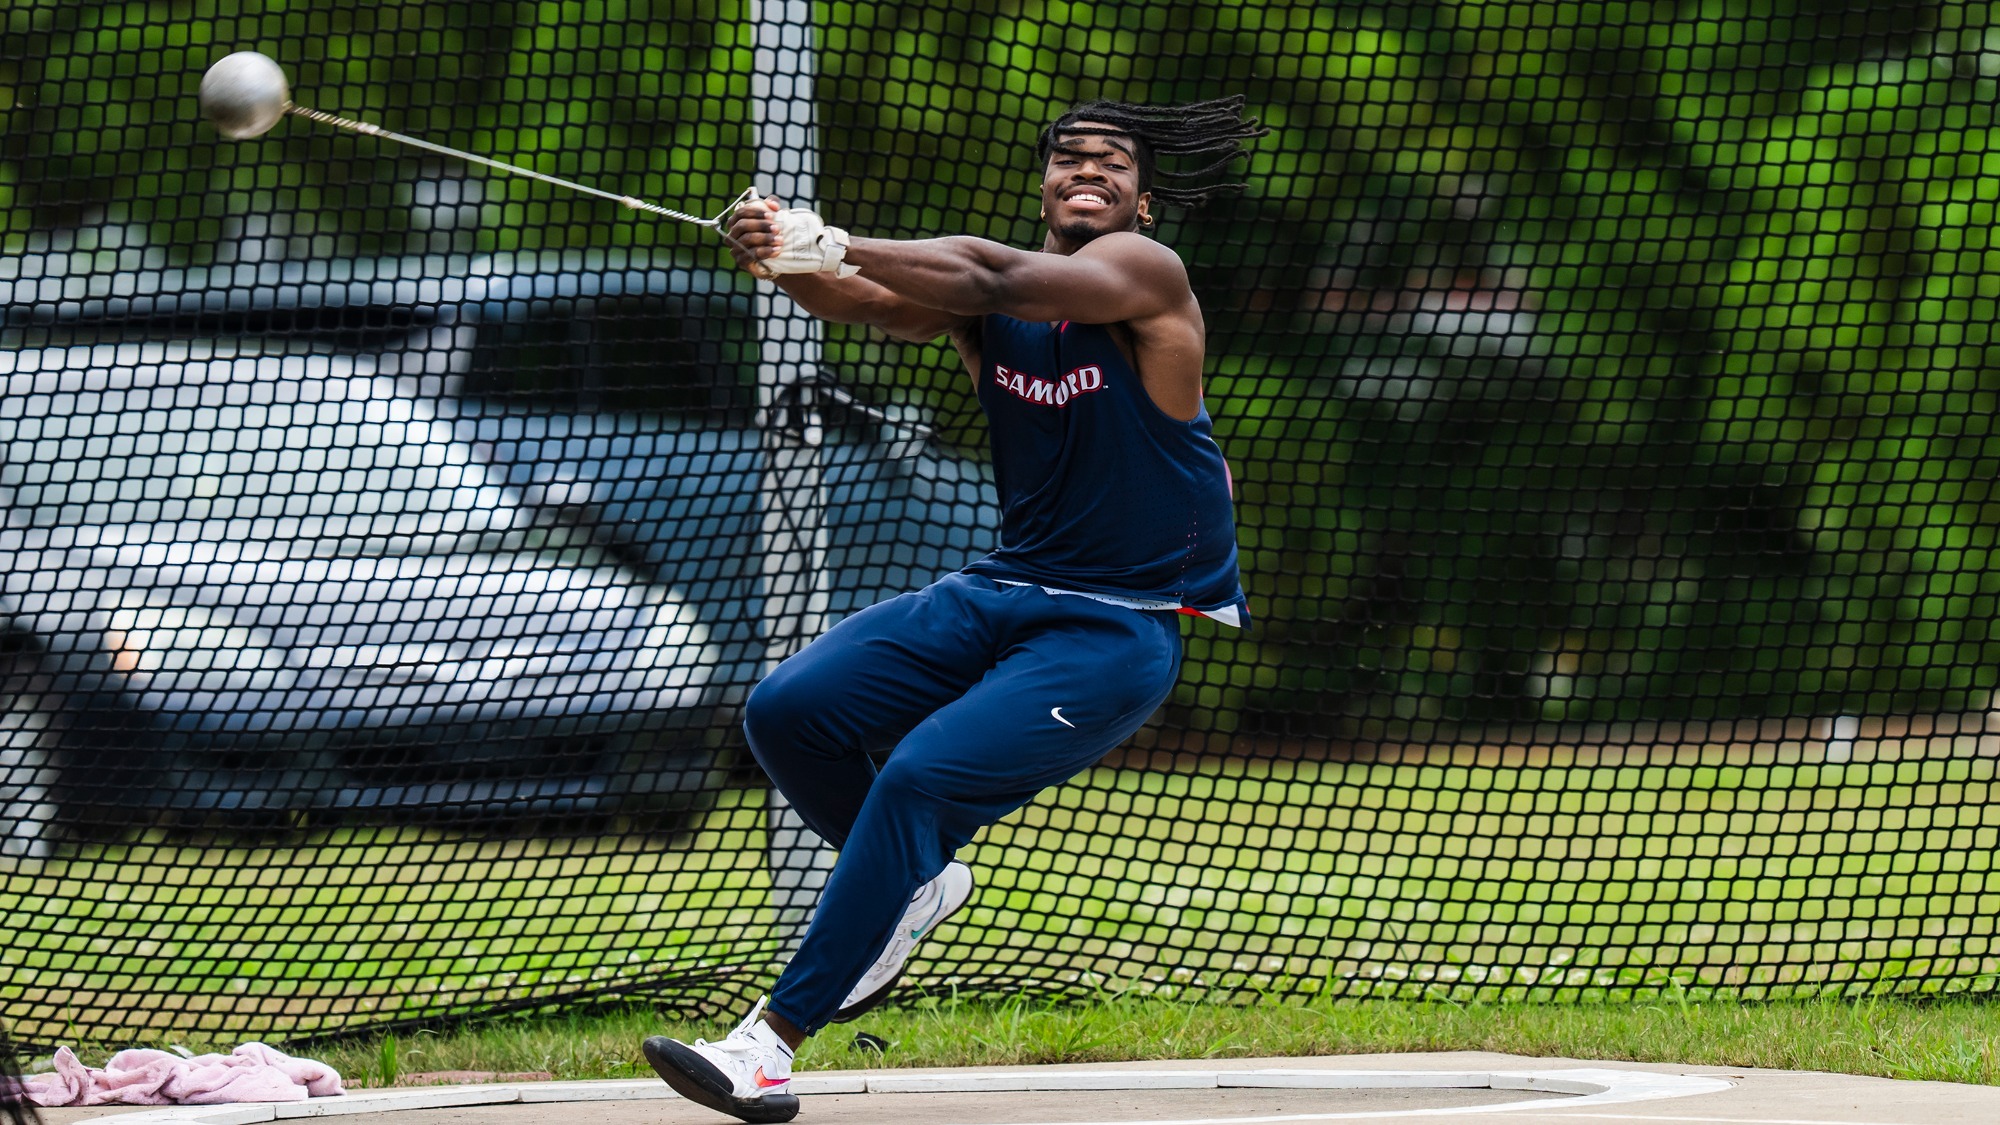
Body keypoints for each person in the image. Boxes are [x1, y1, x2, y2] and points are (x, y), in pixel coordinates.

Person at [642, 96, 1265, 1124]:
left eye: (1111, 165)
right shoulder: (991, 311)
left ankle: (766, 1046)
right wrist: (781, 255)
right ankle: (915, 887)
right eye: (1068, 160)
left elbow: (987, 269)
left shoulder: (1145, 275)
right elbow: (856, 302)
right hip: (1000, 588)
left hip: (1113, 626)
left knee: (921, 778)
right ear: (1043, 185)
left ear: (1141, 202)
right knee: (786, 712)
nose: (1087, 172)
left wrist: (827, 237)